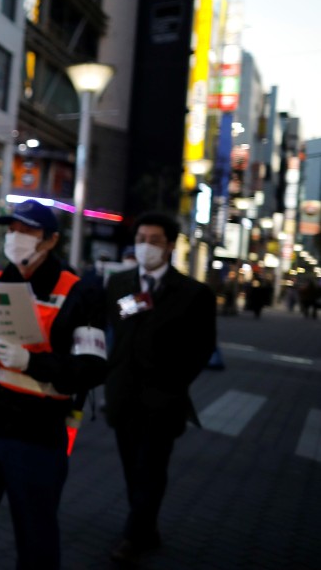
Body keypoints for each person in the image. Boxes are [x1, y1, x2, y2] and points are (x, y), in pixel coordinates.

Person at [0, 198, 107, 569]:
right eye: (11, 230)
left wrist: (33, 362)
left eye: (26, 231)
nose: (15, 238)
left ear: (49, 241)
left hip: (39, 435)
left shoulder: (80, 293)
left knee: (35, 534)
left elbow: (92, 368)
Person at [103, 211, 216, 565]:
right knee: (130, 467)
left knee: (151, 468)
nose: (146, 247)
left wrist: (173, 383)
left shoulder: (193, 293)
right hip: (122, 395)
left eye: (154, 241)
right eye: (141, 240)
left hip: (162, 399)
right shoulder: (119, 284)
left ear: (169, 245)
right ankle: (146, 526)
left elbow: (202, 347)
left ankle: (133, 537)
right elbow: (115, 329)